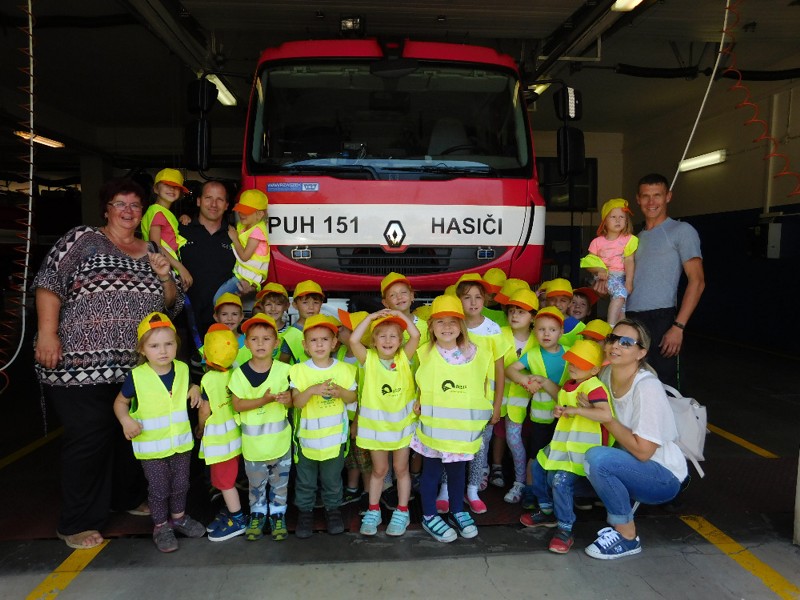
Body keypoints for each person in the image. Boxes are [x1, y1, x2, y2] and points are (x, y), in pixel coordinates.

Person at [33, 177, 184, 550]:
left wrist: (165, 276)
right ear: (107, 208)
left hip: (134, 368)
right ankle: (76, 522)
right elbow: (49, 283)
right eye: (120, 203)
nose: (128, 211)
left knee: (129, 435)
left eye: (135, 205)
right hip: (77, 365)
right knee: (90, 437)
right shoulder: (82, 239)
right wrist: (48, 333)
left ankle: (125, 498)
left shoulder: (152, 250)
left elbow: (172, 304)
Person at [583, 319, 688, 559]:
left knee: (597, 459)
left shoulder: (647, 387)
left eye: (626, 342)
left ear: (641, 353)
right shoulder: (606, 374)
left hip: (662, 475)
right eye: (612, 338)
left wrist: (606, 418)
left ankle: (627, 536)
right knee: (558, 463)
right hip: (628, 462)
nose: (615, 345)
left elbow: (643, 452)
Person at [113, 313, 205, 553]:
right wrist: (125, 420)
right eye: (154, 346)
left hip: (181, 444)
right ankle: (161, 526)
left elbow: (184, 388)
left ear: (176, 345)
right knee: (159, 489)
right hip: (152, 448)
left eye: (168, 344)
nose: (162, 351)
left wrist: (194, 388)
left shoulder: (183, 369)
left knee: (181, 484)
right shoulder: (137, 377)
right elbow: (120, 403)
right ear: (142, 350)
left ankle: (179, 518)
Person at [609, 173, 705, 390]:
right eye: (646, 196)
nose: (651, 202)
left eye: (657, 195)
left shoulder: (681, 231)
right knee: (631, 383)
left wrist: (678, 326)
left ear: (668, 197)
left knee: (664, 386)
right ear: (638, 199)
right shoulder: (633, 239)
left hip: (661, 319)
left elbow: (697, 281)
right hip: (630, 317)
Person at [412, 295, 493, 543]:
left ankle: (457, 510)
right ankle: (429, 515)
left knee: (457, 474)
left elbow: (485, 385)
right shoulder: (424, 353)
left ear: (461, 325)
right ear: (431, 326)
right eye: (440, 321)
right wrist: (417, 398)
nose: (446, 327)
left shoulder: (477, 353)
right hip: (434, 431)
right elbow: (418, 382)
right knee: (431, 474)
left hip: (462, 433)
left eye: (453, 321)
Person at [521, 339, 613, 555]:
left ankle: (565, 528)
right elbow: (565, 405)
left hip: (582, 451)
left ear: (594, 369)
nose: (573, 366)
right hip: (562, 445)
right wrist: (560, 411)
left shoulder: (593, 387)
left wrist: (576, 411)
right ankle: (547, 511)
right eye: (571, 361)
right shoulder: (571, 385)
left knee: (560, 482)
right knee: (537, 466)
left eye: (580, 363)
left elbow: (605, 415)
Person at [350, 309, 420, 537]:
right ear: (373, 341)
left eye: (393, 336)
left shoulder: (404, 358)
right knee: (379, 470)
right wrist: (371, 318)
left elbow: (416, 335)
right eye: (382, 335)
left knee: (401, 469)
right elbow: (353, 340)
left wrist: (399, 314)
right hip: (376, 428)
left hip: (401, 426)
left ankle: (402, 511)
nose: (388, 340)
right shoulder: (368, 359)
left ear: (400, 341)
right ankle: (373, 510)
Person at [290, 314, 358, 538]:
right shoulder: (299, 371)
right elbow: (296, 402)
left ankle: (333, 511)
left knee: (332, 480)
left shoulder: (345, 370)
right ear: (305, 345)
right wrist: (311, 390)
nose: (319, 345)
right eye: (313, 340)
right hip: (307, 441)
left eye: (325, 339)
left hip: (335, 440)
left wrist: (341, 392)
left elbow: (353, 398)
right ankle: (305, 513)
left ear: (334, 343)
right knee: (305, 481)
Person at [229, 313, 293, 542]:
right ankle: (257, 515)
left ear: (276, 343)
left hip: (280, 444)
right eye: (254, 339)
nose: (260, 344)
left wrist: (288, 399)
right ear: (246, 343)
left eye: (266, 339)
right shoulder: (239, 374)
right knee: (255, 485)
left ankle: (278, 515)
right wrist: (264, 400)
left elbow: (293, 401)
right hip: (254, 446)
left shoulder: (285, 370)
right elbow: (237, 405)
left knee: (280, 484)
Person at [504, 306, 569, 509]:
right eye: (541, 329)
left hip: (566, 418)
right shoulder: (532, 354)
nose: (546, 334)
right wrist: (524, 380)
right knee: (536, 455)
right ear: (534, 331)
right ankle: (531, 491)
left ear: (561, 332)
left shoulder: (570, 354)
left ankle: (554, 493)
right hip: (540, 418)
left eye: (552, 329)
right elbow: (510, 370)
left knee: (560, 456)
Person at [455, 273, 507, 513]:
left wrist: (496, 405)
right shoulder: (454, 326)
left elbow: (500, 369)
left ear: (485, 299)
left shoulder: (492, 329)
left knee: (480, 445)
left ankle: (473, 489)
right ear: (459, 300)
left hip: (484, 399)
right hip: (457, 398)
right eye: (467, 297)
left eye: (478, 297)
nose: (473, 302)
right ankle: (447, 488)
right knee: (453, 443)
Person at [179, 180, 254, 343]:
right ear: (198, 201)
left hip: (225, 324)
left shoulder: (236, 236)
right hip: (185, 324)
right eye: (208, 198)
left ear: (227, 205)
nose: (214, 204)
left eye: (220, 199)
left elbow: (253, 267)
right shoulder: (181, 230)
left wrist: (251, 285)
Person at [196, 324, 246, 542]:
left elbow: (204, 411)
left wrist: (200, 428)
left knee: (224, 482)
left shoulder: (208, 380)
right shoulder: (236, 371)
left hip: (219, 440)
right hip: (235, 435)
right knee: (229, 478)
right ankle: (230, 509)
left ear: (206, 354)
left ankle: (237, 519)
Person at [499, 288, 539, 504]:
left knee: (514, 441)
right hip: (493, 396)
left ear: (532, 317)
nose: (514, 315)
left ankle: (520, 482)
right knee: (483, 439)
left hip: (521, 401)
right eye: (512, 310)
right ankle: (477, 480)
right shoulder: (499, 333)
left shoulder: (538, 340)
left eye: (521, 311)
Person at [582, 198, 638, 326]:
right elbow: (588, 263)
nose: (618, 220)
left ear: (626, 220)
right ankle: (610, 326)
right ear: (605, 222)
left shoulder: (629, 239)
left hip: (622, 277)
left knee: (622, 309)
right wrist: (600, 270)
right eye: (613, 217)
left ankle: (618, 332)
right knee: (620, 294)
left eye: (621, 217)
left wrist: (629, 281)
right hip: (606, 276)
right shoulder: (597, 242)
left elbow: (629, 261)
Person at [214, 189, 271, 303]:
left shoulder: (257, 231)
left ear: (260, 214)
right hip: (241, 274)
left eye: (246, 211)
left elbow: (245, 257)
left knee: (218, 300)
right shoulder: (244, 225)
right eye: (240, 210)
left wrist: (234, 238)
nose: (241, 214)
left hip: (247, 279)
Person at [140, 168, 193, 289]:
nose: (172, 189)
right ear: (156, 189)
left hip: (164, 266)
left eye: (176, 187)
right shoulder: (158, 212)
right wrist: (180, 268)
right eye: (167, 185)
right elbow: (156, 245)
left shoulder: (161, 212)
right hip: (161, 267)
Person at [279, 280, 325, 364]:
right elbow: (283, 362)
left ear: (321, 304)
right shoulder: (291, 334)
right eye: (305, 302)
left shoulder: (327, 328)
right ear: (295, 305)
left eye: (315, 302)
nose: (311, 307)